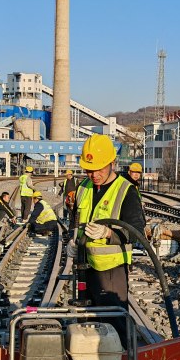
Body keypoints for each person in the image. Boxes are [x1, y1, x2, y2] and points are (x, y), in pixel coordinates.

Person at [75, 134, 145, 347]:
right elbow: (76, 222)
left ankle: (120, 359)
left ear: (112, 163)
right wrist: (73, 241)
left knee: (114, 323)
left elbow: (137, 232)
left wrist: (108, 234)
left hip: (111, 271)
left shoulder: (126, 191)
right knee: (87, 322)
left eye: (99, 169)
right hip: (85, 266)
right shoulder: (83, 187)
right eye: (89, 170)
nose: (94, 175)